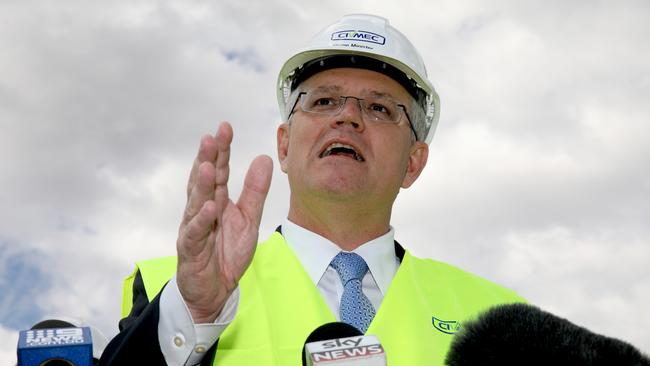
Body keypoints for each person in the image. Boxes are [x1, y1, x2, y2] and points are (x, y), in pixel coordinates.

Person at [99, 14, 525, 366]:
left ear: (413, 162)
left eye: (378, 107)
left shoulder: (497, 317)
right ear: (284, 145)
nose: (348, 118)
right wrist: (194, 314)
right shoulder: (169, 287)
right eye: (323, 102)